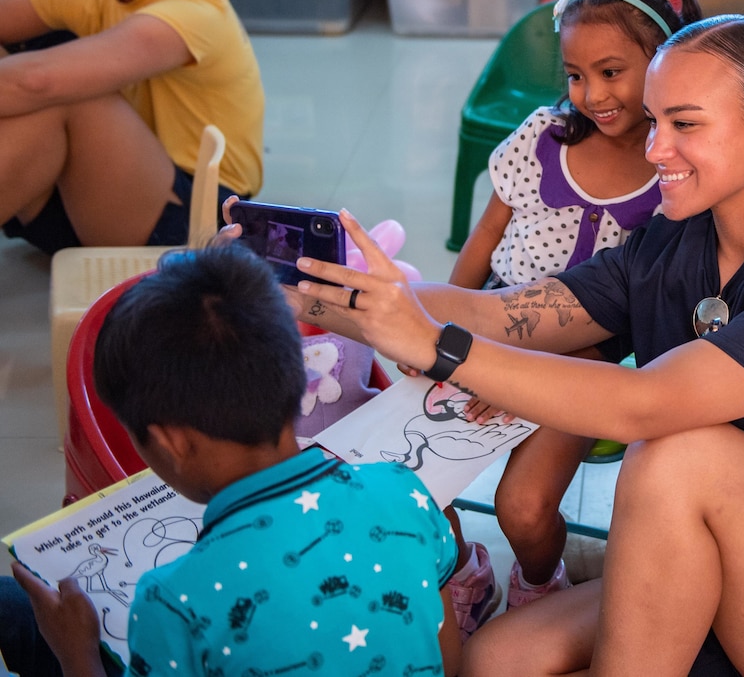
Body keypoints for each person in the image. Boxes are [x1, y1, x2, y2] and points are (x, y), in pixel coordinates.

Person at [289, 14, 744, 675]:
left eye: (685, 123)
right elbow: (506, 312)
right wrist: (305, 288)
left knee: (676, 452)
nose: (654, 148)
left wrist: (437, 346)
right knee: (498, 659)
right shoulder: (670, 242)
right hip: (709, 556)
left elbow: (643, 403)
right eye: (655, 120)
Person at [1, 244, 460, 676]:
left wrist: (76, 655)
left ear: (170, 442)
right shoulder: (405, 492)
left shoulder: (173, 601)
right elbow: (446, 654)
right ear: (299, 375)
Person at [442, 0, 702, 642]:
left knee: (524, 509)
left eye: (613, 71)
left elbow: (643, 313)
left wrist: (512, 369)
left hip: (590, 357)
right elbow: (486, 238)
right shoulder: (542, 137)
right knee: (412, 479)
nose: (592, 95)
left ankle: (538, 581)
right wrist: (447, 336)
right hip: (491, 325)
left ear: (663, 58)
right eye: (577, 75)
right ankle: (460, 569)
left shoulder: (673, 167)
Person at [0, 0, 263, 254]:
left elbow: (37, 81)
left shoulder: (195, 8)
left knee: (76, 97)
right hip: (89, 201)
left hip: (198, 216)